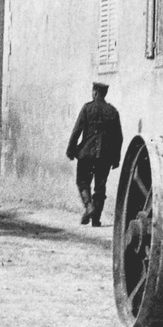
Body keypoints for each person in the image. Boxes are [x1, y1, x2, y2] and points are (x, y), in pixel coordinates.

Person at [65, 81, 123, 226]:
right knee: (100, 186)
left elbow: (76, 130)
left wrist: (71, 150)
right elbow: (119, 137)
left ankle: (89, 207)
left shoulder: (87, 108)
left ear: (95, 93)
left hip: (86, 154)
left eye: (93, 91)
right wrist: (116, 158)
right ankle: (96, 219)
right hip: (105, 156)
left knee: (82, 181)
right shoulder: (113, 111)